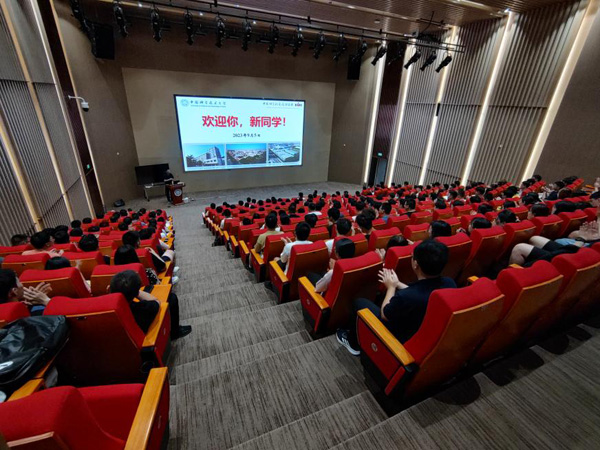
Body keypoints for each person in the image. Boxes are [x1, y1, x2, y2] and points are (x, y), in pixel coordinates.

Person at [336, 240, 456, 356]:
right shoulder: (449, 283)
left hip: (400, 338)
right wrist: (397, 283)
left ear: (416, 264)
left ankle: (353, 345)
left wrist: (391, 287)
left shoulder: (406, 297)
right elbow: (421, 292)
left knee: (359, 303)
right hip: (421, 327)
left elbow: (385, 314)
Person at [109, 270, 191, 339]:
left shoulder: (108, 307)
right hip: (146, 340)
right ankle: (175, 333)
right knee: (172, 298)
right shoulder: (142, 309)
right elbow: (156, 302)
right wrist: (137, 292)